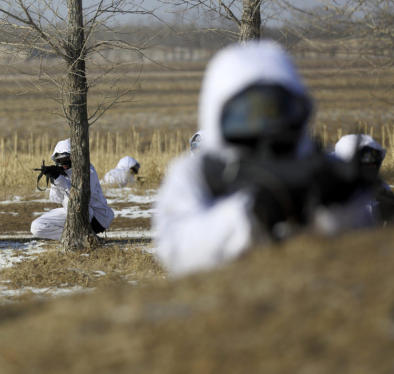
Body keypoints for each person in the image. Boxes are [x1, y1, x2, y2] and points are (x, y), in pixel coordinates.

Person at [152, 42, 373, 277]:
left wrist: (331, 210)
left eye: (275, 110)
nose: (263, 126)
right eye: (247, 113)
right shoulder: (195, 171)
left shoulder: (321, 167)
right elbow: (175, 250)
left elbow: (362, 252)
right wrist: (250, 215)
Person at [31, 139, 114, 240]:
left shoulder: (87, 171)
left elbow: (78, 197)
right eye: (60, 161)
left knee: (70, 200)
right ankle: (74, 239)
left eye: (67, 160)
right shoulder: (62, 173)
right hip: (72, 211)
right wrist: (54, 180)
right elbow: (56, 199)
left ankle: (83, 237)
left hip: (97, 217)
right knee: (37, 227)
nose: (64, 164)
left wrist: (60, 180)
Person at [333, 134, 393, 221]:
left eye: (375, 160)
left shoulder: (381, 187)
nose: (372, 166)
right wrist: (377, 212)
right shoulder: (330, 187)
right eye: (366, 159)